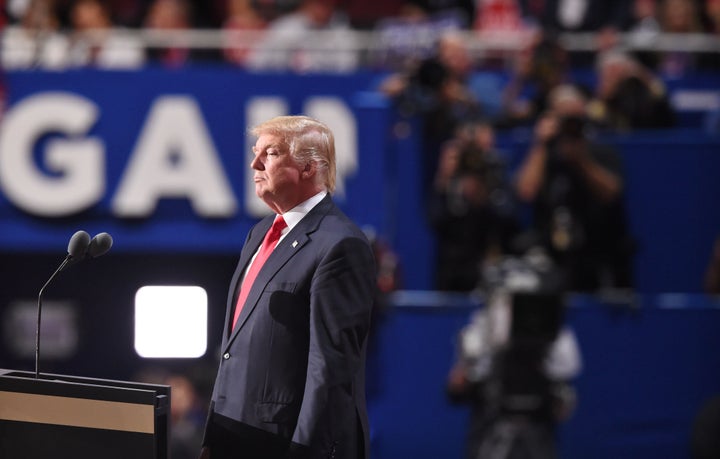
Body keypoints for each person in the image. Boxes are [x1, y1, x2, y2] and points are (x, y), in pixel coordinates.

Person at [200, 115, 377, 459]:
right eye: (256, 152)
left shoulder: (340, 244)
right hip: (234, 437)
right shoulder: (259, 234)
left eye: (272, 153)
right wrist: (212, 438)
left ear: (309, 167)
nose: (255, 163)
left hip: (286, 443)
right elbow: (233, 353)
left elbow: (329, 368)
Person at [514, 84, 635, 292]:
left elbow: (611, 192)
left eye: (575, 118)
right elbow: (526, 191)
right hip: (549, 260)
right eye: (564, 118)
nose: (570, 126)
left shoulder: (601, 152)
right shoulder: (544, 156)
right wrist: (541, 143)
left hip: (595, 255)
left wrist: (581, 161)